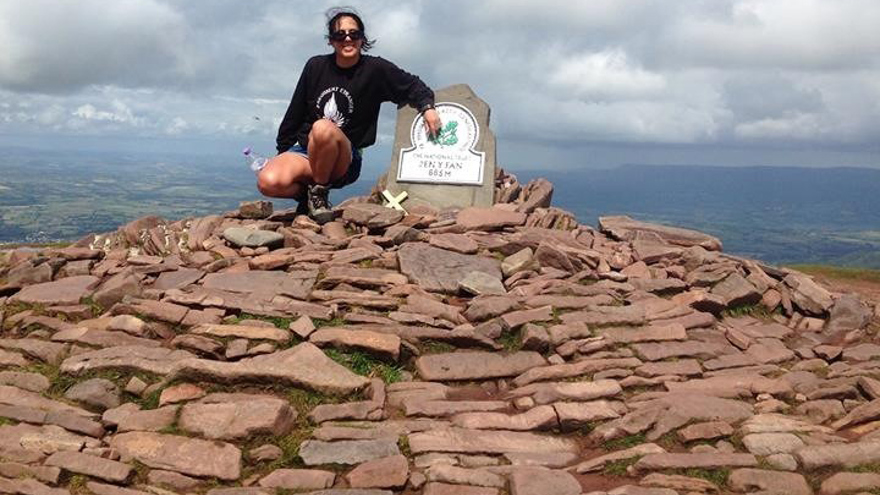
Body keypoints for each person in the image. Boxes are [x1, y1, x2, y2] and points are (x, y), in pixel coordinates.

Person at [258, 7, 441, 224]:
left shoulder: (375, 69)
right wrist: (283, 151)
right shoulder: (315, 66)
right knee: (268, 181)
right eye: (340, 34)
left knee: (323, 128)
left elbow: (413, 85)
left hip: (345, 156)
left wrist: (427, 107)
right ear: (331, 41)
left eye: (353, 34)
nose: (347, 39)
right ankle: (308, 196)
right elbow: (295, 112)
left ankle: (320, 195)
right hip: (306, 150)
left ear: (362, 39)